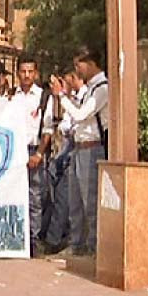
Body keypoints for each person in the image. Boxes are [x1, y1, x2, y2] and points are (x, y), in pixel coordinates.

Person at [50, 45, 108, 256]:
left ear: (91, 63)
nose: (77, 69)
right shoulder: (91, 88)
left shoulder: (102, 88)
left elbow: (82, 114)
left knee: (90, 200)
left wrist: (62, 98)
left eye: (79, 64)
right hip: (79, 148)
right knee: (75, 201)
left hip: (93, 149)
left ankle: (93, 248)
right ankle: (77, 245)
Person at [12, 54, 53, 257]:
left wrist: (39, 153)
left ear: (35, 73)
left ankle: (33, 241)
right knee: (14, 195)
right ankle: (16, 239)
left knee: (35, 198)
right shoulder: (11, 96)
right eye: (23, 71)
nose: (27, 75)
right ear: (17, 73)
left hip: (33, 150)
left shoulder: (44, 97)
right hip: (15, 153)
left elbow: (47, 129)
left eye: (30, 71)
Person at [43, 67, 86, 254]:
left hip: (74, 148)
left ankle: (56, 239)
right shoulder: (69, 99)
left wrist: (61, 97)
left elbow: (75, 121)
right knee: (54, 194)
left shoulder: (81, 98)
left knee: (65, 197)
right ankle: (53, 236)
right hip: (64, 150)